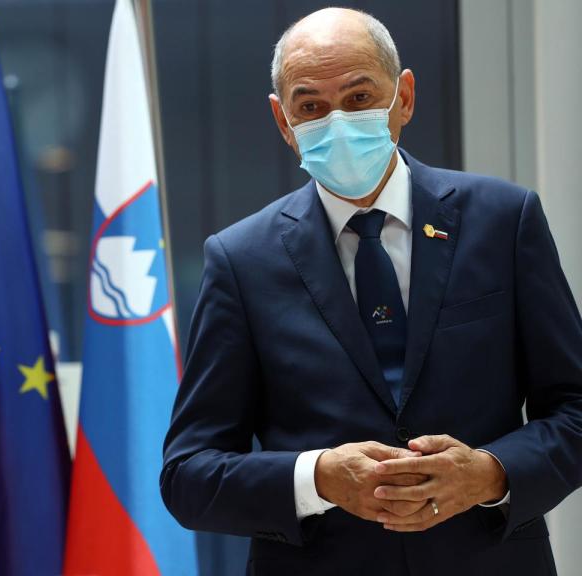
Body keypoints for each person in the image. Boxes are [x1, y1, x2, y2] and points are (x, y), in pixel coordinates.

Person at [161, 7, 582, 575]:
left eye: (360, 98)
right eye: (310, 107)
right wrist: (316, 478)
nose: (337, 122)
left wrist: (490, 472)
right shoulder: (241, 259)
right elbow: (188, 474)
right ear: (283, 122)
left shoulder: (504, 221)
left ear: (403, 97)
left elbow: (575, 410)